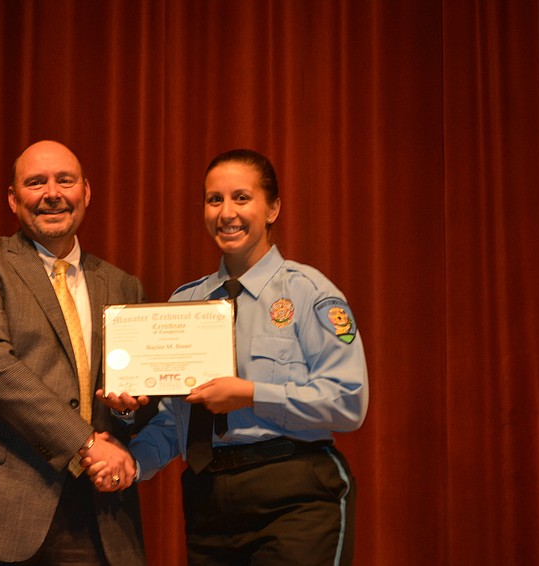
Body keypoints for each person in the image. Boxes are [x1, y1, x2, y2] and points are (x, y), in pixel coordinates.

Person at [92, 149, 368, 565]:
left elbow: (348, 402)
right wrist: (132, 459)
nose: (227, 213)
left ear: (273, 208)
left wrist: (252, 394)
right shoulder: (186, 303)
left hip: (295, 494)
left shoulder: (311, 293)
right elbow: (173, 421)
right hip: (210, 500)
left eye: (242, 198)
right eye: (214, 199)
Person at [0, 140, 146, 565]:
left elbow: (137, 393)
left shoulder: (123, 287)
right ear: (12, 198)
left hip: (97, 521)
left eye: (65, 180)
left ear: (87, 192)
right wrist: (84, 441)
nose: (52, 193)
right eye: (35, 182)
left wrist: (129, 409)